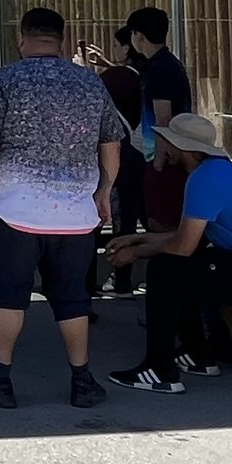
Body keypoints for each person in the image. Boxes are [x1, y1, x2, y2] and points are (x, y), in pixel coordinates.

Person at [0, 7, 127, 409]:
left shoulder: (7, 79)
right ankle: (83, 381)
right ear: (63, 41)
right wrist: (104, 191)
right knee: (71, 299)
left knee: (9, 297)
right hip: (76, 216)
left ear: (22, 38)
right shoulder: (89, 83)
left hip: (17, 212)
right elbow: (112, 145)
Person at [104, 112, 232, 392]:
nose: (165, 148)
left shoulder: (205, 179)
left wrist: (137, 253)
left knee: (167, 269)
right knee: (185, 267)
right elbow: (187, 239)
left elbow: (182, 246)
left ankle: (159, 370)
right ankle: (198, 355)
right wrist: (139, 241)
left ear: (182, 147)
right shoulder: (219, 171)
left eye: (168, 143)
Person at [85, 29, 150, 297]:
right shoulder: (144, 77)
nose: (112, 50)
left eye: (115, 45)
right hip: (140, 161)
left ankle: (86, 286)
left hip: (111, 162)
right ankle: (123, 279)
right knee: (130, 221)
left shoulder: (110, 80)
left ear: (129, 46)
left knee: (93, 223)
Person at [122, 6, 194, 234]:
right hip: (165, 154)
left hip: (163, 157)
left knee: (160, 224)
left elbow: (163, 118)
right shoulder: (165, 64)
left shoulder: (160, 69)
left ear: (139, 36)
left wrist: (159, 164)